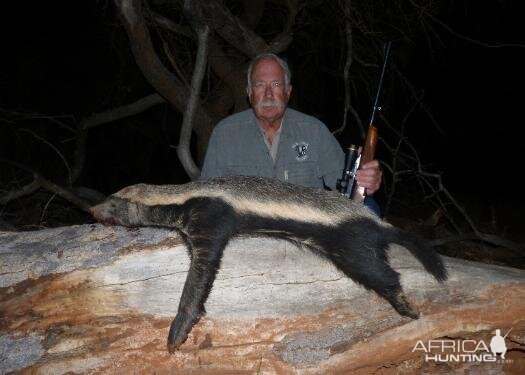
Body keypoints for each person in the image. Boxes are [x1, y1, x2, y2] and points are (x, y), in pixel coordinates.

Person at [201, 53, 383, 215]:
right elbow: (207, 196)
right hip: (248, 233)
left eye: (276, 84)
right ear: (249, 93)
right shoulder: (225, 134)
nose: (268, 94)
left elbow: (348, 187)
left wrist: (367, 183)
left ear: (288, 92)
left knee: (370, 208)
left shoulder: (314, 131)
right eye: (259, 85)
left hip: (305, 232)